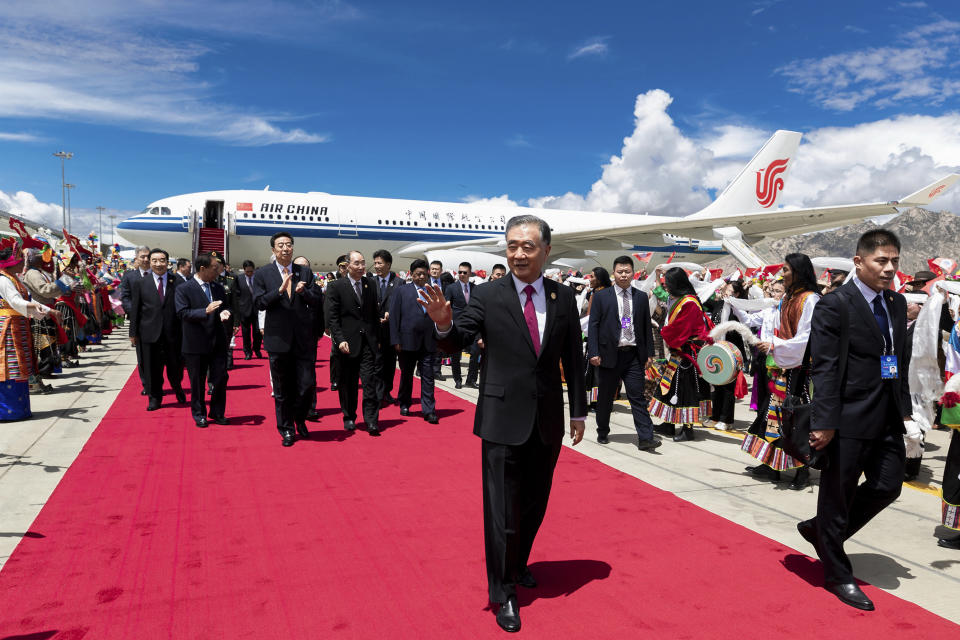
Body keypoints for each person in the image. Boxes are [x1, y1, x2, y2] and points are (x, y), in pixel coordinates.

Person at [420, 214, 587, 633]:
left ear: (546, 251)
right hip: (501, 418)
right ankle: (503, 591)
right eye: (512, 245)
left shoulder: (563, 297)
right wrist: (443, 321)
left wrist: (579, 410)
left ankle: (519, 562)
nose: (518, 253)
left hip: (547, 417)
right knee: (501, 512)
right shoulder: (487, 294)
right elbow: (458, 337)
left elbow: (573, 358)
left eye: (528, 246)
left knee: (535, 503)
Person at [797, 229, 912, 612]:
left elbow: (898, 356)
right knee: (838, 494)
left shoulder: (895, 302)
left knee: (887, 485)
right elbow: (825, 368)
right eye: (882, 261)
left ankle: (822, 532)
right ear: (859, 261)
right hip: (846, 417)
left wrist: (905, 407)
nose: (890, 268)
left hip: (887, 414)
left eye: (895, 260)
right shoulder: (836, 305)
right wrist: (824, 421)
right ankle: (837, 573)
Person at [739, 255, 821, 489]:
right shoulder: (788, 297)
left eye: (785, 270)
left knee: (795, 418)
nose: (781, 274)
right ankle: (770, 463)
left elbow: (807, 337)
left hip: (800, 370)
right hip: (782, 365)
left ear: (797, 272)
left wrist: (776, 346)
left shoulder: (810, 299)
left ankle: (801, 470)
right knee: (771, 416)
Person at [252, 232, 323, 447]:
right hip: (278, 339)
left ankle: (300, 419)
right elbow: (259, 303)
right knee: (282, 389)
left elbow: (317, 299)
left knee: (306, 386)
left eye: (289, 245)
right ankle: (287, 429)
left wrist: (304, 292)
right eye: (281, 245)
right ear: (273, 250)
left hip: (303, 339)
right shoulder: (263, 274)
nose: (285, 248)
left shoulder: (305, 272)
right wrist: (279, 291)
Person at [587, 256, 658, 450]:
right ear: (614, 273)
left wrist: (649, 353)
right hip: (609, 355)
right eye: (620, 271)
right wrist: (593, 351)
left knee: (637, 396)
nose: (624, 275)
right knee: (605, 396)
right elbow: (593, 325)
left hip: (633, 355)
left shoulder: (641, 297)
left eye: (627, 271)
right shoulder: (602, 296)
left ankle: (646, 437)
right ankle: (602, 431)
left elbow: (645, 327)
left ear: (633, 273)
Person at [648, 267, 712, 442]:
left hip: (687, 353)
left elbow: (681, 328)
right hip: (679, 351)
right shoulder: (681, 299)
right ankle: (669, 423)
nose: (666, 287)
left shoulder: (689, 302)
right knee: (669, 386)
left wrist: (663, 330)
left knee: (685, 390)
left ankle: (688, 429)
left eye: (668, 283)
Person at [325, 250, 382, 436]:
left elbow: (374, 314)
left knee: (369, 383)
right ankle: (349, 416)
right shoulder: (336, 286)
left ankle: (371, 420)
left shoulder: (370, 284)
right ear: (347, 265)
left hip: (368, 343)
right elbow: (333, 318)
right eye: (356, 263)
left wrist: (377, 339)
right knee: (348, 384)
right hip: (347, 344)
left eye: (363, 263)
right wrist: (339, 339)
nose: (361, 267)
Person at [0, 238, 57, 420]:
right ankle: (8, 411)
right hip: (8, 329)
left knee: (20, 366)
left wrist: (50, 311)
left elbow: (30, 299)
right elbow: (16, 302)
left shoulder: (14, 278)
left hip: (19, 326)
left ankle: (19, 409)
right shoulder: (3, 280)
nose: (22, 264)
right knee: (10, 367)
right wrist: (37, 309)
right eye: (19, 260)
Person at [175, 252, 230, 428]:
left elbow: (226, 306)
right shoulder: (184, 288)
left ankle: (217, 411)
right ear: (202, 269)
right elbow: (182, 313)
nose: (218, 272)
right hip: (196, 343)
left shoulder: (218, 287)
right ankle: (199, 413)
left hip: (218, 341)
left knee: (221, 377)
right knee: (197, 382)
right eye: (215, 268)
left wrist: (225, 312)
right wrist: (204, 311)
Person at [128, 248, 186, 410]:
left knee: (176, 367)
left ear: (168, 262)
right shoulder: (140, 283)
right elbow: (136, 310)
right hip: (149, 334)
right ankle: (155, 397)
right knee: (152, 369)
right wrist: (133, 332)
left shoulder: (178, 282)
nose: (158, 264)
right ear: (149, 262)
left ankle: (177, 388)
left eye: (162, 260)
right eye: (154, 260)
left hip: (173, 333)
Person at [390, 259, 439, 423]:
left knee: (428, 376)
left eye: (424, 274)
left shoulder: (433, 292)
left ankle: (429, 410)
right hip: (407, 341)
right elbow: (395, 317)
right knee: (407, 375)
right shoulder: (401, 291)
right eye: (417, 274)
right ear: (411, 274)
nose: (421, 277)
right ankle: (404, 403)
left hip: (428, 341)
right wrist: (395, 339)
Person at [294, 255, 324, 421]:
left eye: (305, 267)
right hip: (289, 335)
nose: (303, 270)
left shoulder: (315, 287)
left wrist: (319, 331)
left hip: (309, 336)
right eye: (299, 267)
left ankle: (310, 407)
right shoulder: (287, 283)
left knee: (309, 374)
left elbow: (319, 309)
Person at [371, 249, 401, 405]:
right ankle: (377, 393)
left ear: (388, 264)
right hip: (375, 330)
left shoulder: (399, 283)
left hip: (391, 330)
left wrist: (392, 314)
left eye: (379, 263)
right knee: (377, 363)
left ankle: (387, 391)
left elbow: (402, 305)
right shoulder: (370, 282)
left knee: (390, 363)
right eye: (375, 263)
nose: (376, 266)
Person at [444, 261, 480, 389]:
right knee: (455, 354)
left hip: (473, 326)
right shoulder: (451, 288)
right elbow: (447, 307)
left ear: (470, 273)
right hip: (457, 326)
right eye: (460, 272)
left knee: (475, 352)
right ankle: (457, 379)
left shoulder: (475, 288)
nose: (462, 274)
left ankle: (471, 379)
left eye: (465, 272)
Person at [119, 245, 151, 394]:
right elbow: (125, 297)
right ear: (136, 258)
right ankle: (147, 385)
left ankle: (156, 383)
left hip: (157, 321)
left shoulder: (159, 275)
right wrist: (136, 311)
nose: (145, 259)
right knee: (143, 356)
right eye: (142, 257)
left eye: (147, 256)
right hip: (139, 322)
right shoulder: (129, 276)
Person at [583, 267, 612, 411]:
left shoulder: (598, 294)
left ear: (600, 278)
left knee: (595, 372)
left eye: (593, 276)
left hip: (598, 338)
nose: (590, 279)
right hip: (604, 338)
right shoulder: (600, 292)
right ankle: (597, 401)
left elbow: (591, 319)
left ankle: (595, 401)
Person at [326, 254, 349, 391]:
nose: (344, 269)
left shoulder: (359, 283)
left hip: (353, 324)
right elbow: (328, 306)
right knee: (335, 353)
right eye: (341, 267)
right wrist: (327, 325)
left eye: (346, 266)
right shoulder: (333, 284)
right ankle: (335, 379)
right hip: (337, 324)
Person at [213, 254, 238, 371]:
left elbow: (235, 302)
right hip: (210, 318)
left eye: (218, 264)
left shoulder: (231, 279)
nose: (215, 266)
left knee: (226, 344)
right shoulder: (209, 278)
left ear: (223, 266)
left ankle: (226, 365)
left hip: (227, 318)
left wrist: (237, 323)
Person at [235, 260, 263, 359]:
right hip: (244, 310)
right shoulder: (239, 279)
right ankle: (247, 352)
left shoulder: (258, 279)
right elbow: (237, 295)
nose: (250, 274)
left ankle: (257, 349)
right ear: (244, 270)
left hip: (257, 310)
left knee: (257, 332)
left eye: (251, 271)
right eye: (247, 272)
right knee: (245, 333)